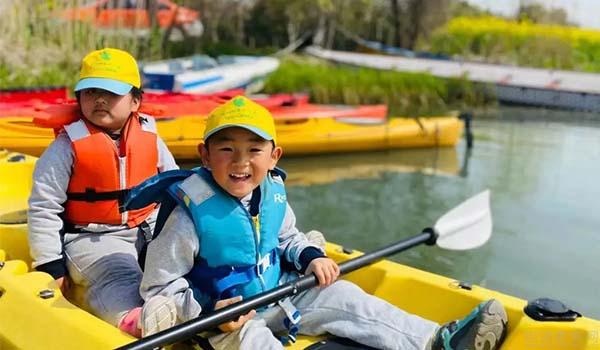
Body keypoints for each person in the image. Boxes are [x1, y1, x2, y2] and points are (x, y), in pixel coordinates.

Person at [137, 96, 508, 349]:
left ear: (273, 156)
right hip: (227, 322)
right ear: (204, 155)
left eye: (254, 150)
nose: (240, 162)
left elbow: (288, 239)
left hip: (281, 294)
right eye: (226, 149)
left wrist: (312, 257)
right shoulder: (188, 217)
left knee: (348, 298)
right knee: (253, 342)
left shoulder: (272, 195)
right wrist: (207, 314)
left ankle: (434, 341)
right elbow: (158, 287)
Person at [27, 48, 178, 338]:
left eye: (111, 93)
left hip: (148, 228)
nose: (99, 99)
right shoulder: (66, 146)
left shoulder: (150, 138)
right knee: (117, 275)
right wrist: (50, 264)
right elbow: (43, 206)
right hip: (92, 238)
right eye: (90, 91)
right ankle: (135, 319)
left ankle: (196, 307)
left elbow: (174, 187)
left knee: (185, 259)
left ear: (135, 101)